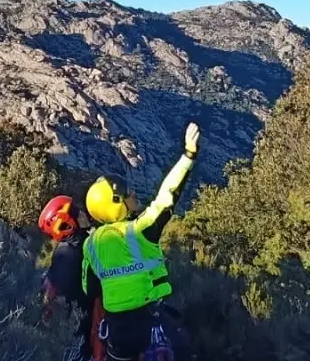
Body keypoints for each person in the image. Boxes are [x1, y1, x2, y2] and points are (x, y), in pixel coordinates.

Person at [82, 122, 200, 361]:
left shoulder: (90, 244)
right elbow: (167, 196)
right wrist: (188, 156)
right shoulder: (140, 231)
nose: (133, 194)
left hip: (117, 331)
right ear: (116, 202)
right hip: (151, 323)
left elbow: (90, 288)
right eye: (127, 193)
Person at [38, 195, 106, 361]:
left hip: (83, 329)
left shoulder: (75, 247)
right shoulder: (70, 255)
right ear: (67, 223)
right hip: (82, 334)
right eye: (77, 212)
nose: (82, 213)